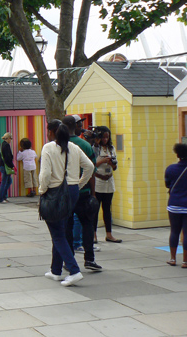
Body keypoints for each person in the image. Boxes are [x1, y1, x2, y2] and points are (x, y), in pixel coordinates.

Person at [39, 120, 94, 286]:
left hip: (55, 192)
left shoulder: (48, 148)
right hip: (72, 192)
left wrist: (42, 191)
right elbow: (90, 167)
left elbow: (45, 174)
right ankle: (56, 270)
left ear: (53, 133)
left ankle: (74, 270)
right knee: (60, 230)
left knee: (57, 233)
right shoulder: (75, 148)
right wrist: (79, 184)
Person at [62, 115, 101, 271]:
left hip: (64, 192)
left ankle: (69, 259)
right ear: (75, 126)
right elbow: (91, 170)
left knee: (67, 226)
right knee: (87, 224)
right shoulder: (84, 145)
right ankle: (89, 259)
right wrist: (93, 192)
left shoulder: (57, 145)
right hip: (82, 192)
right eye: (80, 124)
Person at [92, 126, 121, 243]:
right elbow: (91, 165)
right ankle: (93, 235)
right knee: (95, 209)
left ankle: (109, 234)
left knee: (107, 209)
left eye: (107, 137)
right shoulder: (95, 149)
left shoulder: (111, 148)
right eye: (103, 137)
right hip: (98, 181)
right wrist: (103, 161)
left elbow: (115, 167)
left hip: (109, 181)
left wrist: (112, 163)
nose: (105, 139)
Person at [0, 132, 14, 203]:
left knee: (8, 181)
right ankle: (1, 198)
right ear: (8, 138)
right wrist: (11, 165)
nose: (11, 140)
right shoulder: (6, 145)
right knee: (5, 182)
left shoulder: (1, 145)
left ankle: (4, 196)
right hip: (5, 165)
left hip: (0, 165)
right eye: (10, 139)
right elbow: (7, 157)